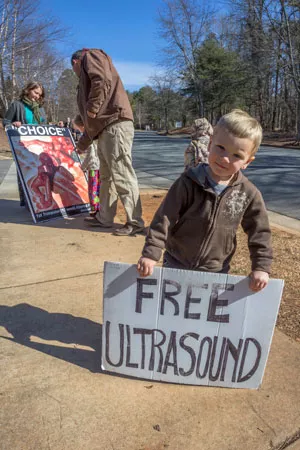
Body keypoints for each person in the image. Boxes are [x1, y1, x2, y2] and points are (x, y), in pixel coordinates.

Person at [137, 109, 272, 293]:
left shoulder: (248, 193)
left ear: (248, 161)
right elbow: (164, 217)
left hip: (216, 269)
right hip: (177, 261)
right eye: (221, 148)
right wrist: (151, 253)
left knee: (204, 316)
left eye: (237, 155)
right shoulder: (188, 182)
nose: (225, 158)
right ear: (209, 144)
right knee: (173, 314)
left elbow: (260, 232)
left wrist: (261, 267)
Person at [70, 48, 144, 236]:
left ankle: (135, 222)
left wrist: (92, 107)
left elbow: (102, 79)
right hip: (104, 128)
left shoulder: (90, 55)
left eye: (74, 70)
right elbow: (90, 123)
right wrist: (81, 145)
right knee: (106, 177)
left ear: (75, 62)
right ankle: (104, 218)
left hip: (115, 124)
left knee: (122, 173)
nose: (76, 74)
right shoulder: (85, 81)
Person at [3, 81, 46, 206]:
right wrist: (13, 124)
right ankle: (29, 202)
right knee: (27, 174)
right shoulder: (16, 105)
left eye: (39, 94)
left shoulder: (40, 108)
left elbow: (44, 124)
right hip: (23, 147)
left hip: (40, 146)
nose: (37, 96)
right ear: (27, 90)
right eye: (35, 92)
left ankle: (41, 200)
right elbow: (5, 121)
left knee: (41, 174)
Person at [72, 115, 101, 217]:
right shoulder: (96, 134)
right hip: (101, 166)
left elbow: (91, 155)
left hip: (94, 167)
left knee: (93, 189)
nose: (78, 130)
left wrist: (83, 167)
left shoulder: (89, 137)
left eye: (78, 128)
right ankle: (99, 208)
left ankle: (95, 209)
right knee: (99, 189)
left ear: (82, 126)